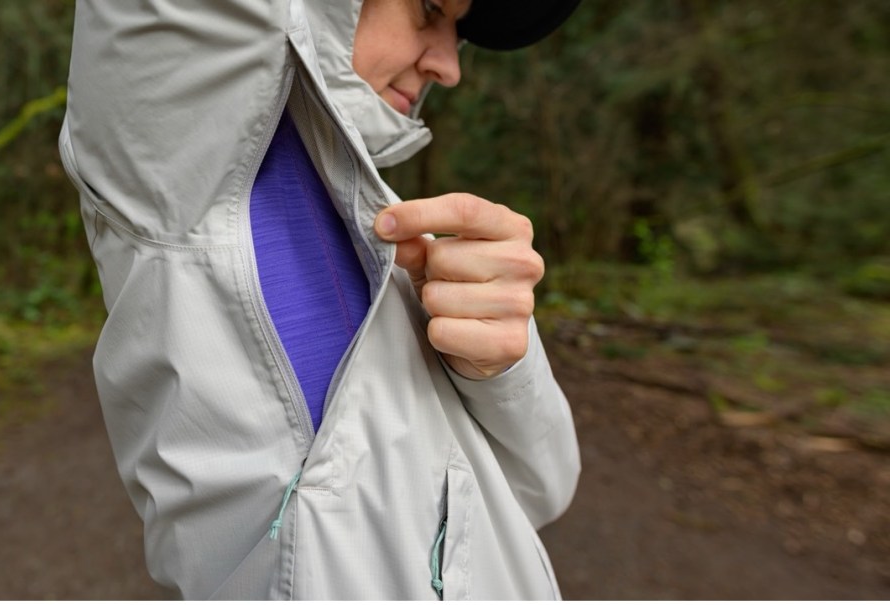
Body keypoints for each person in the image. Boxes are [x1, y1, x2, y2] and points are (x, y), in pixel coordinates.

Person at [59, 0, 581, 599]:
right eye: (430, 9)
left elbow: (544, 490)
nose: (449, 66)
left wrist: (501, 369)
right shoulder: (174, 168)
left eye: (456, 36)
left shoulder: (396, 242)